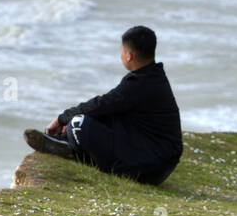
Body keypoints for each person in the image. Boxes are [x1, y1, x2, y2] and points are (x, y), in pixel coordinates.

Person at [24, 26, 183, 185]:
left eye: (121, 51)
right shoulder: (153, 76)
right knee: (102, 119)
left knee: (79, 124)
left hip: (148, 168)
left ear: (129, 56)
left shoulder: (139, 83)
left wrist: (62, 119)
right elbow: (111, 108)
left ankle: (69, 148)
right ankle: (65, 145)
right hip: (156, 162)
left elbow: (101, 104)